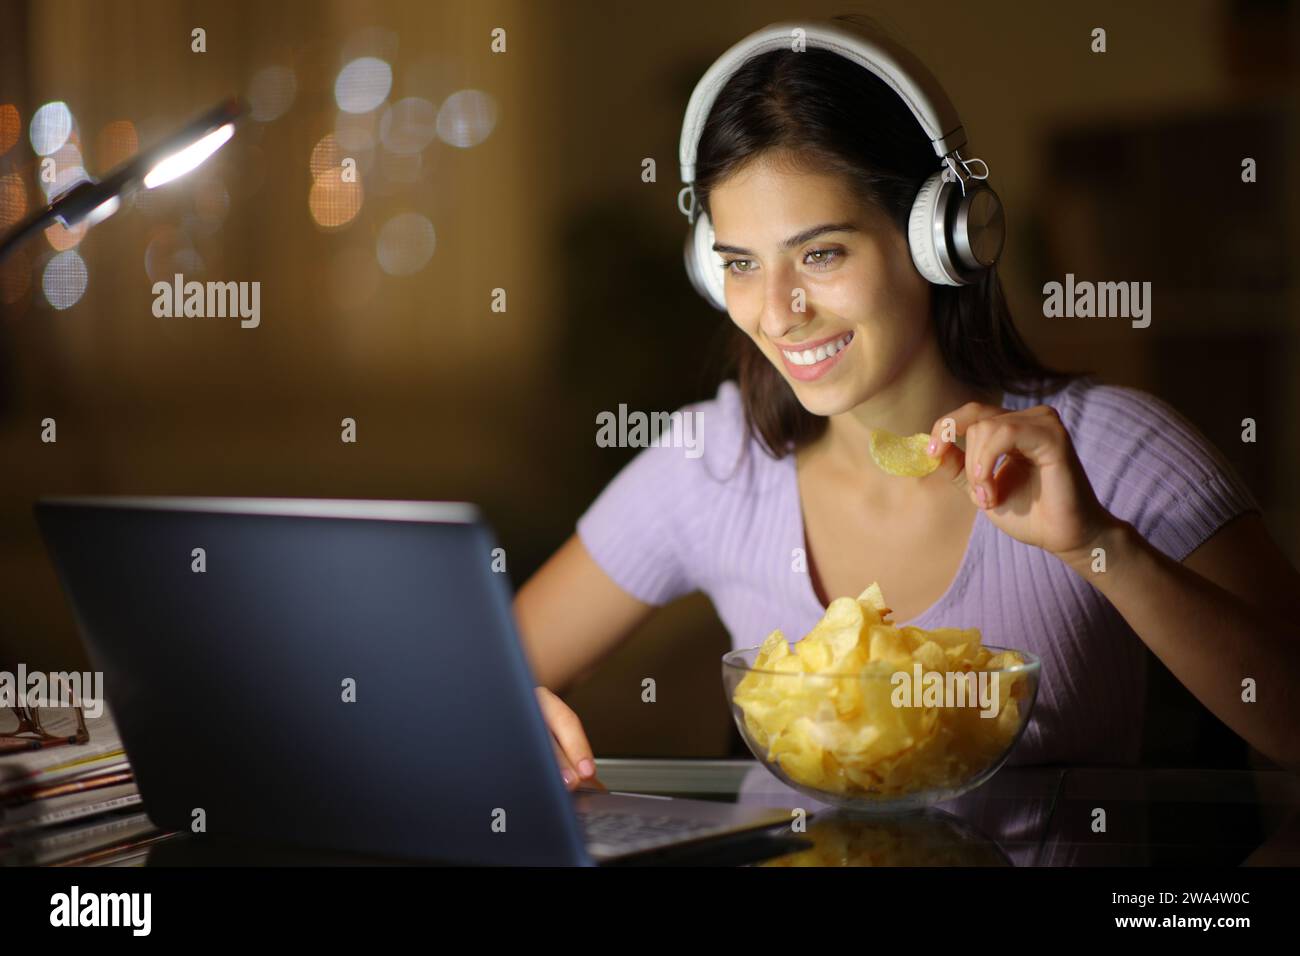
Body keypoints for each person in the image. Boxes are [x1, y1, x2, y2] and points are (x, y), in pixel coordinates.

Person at [515, 17, 1300, 793]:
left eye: (821, 254)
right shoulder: (708, 464)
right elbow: (485, 677)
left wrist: (1101, 545)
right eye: (742, 265)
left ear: (939, 239)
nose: (779, 311)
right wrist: (509, 713)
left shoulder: (1114, 445)